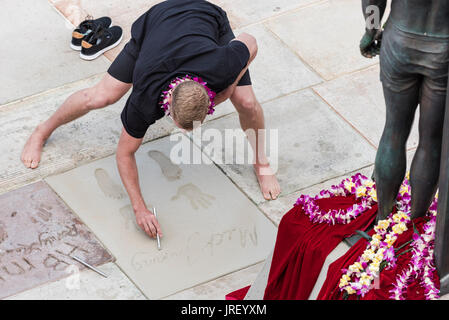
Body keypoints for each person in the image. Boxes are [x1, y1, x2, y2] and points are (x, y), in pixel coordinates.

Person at [21, 0, 281, 239]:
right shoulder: (146, 97)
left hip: (204, 15)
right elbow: (124, 154)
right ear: (167, 106)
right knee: (100, 97)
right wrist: (140, 209)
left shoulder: (220, 65)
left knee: (247, 102)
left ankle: (262, 163)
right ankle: (41, 131)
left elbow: (250, 41)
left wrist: (232, 82)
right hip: (155, 26)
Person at [360, 0, 449, 221]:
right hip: (444, 50)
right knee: (431, 141)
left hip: (400, 40)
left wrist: (370, 30)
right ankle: (415, 221)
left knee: (393, 131)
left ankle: (383, 217)